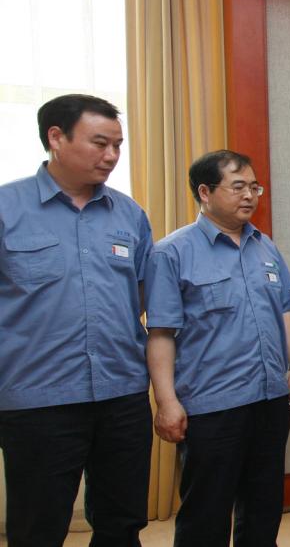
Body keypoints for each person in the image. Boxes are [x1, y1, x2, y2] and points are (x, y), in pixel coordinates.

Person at [0, 94, 154, 546]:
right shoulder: (7, 208)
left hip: (122, 394)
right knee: (38, 527)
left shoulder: (129, 214)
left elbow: (143, 296)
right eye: (100, 143)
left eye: (118, 145)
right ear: (56, 138)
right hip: (37, 398)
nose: (111, 156)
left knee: (123, 523)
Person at [145, 150, 290, 546]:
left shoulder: (264, 247)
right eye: (238, 187)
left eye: (254, 187)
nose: (249, 196)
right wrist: (166, 402)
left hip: (269, 399)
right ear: (205, 192)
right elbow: (161, 333)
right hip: (212, 407)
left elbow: (284, 311)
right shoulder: (172, 252)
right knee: (206, 515)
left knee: (264, 508)